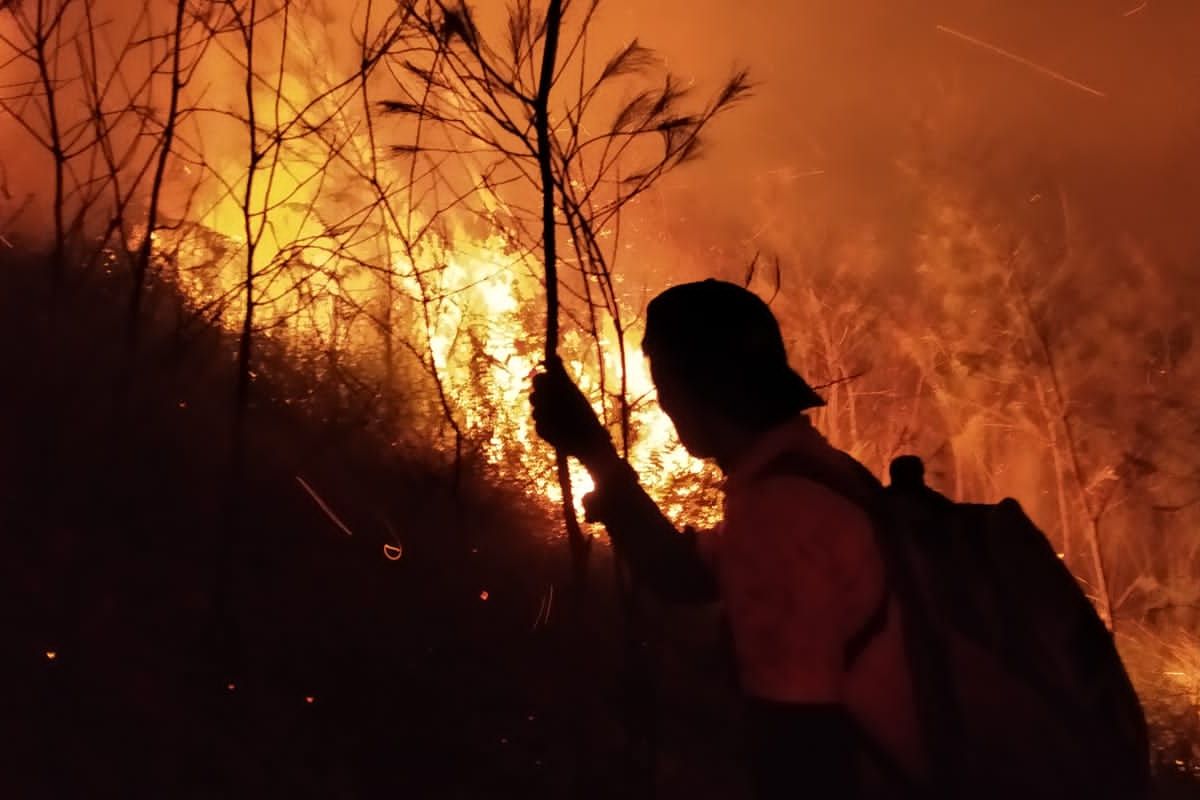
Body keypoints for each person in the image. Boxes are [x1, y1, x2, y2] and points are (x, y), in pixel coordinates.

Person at [531, 280, 922, 799]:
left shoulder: (781, 515)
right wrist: (594, 451)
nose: (663, 405)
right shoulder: (816, 469)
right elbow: (685, 574)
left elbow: (801, 755)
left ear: (696, 389)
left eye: (664, 386)